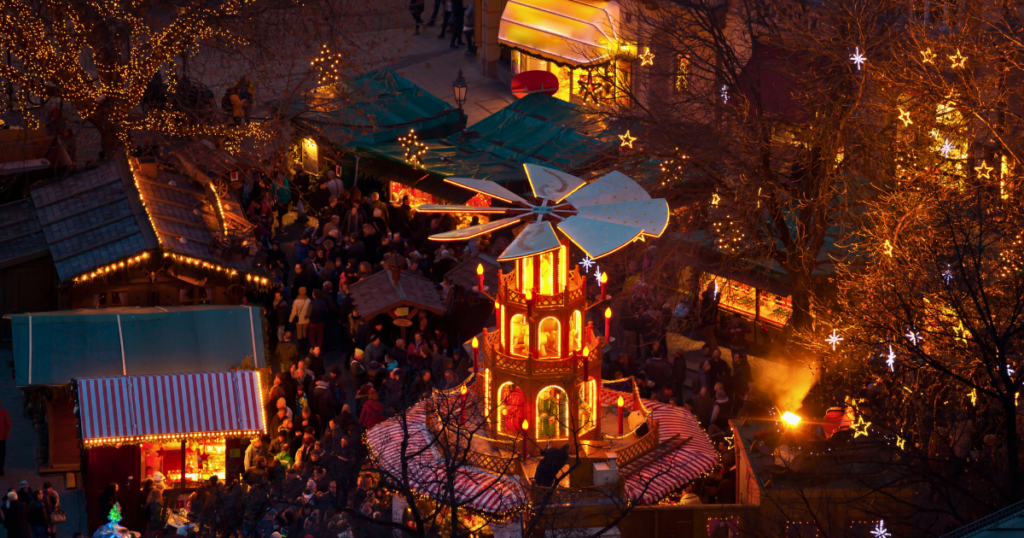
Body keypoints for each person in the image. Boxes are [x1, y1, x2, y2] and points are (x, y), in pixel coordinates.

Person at [0, 398, 10, 476]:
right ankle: (1, 469)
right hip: (2, 436)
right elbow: (8, 423)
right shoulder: (4, 411)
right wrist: (6, 430)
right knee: (2, 453)